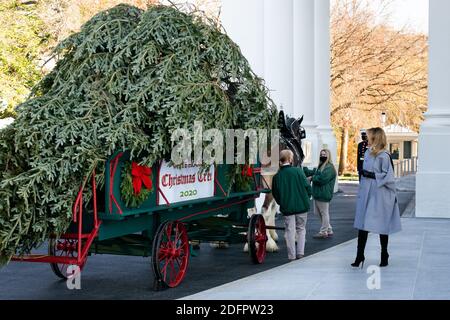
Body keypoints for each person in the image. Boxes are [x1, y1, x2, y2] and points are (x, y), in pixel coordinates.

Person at [352, 127, 401, 268]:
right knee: (362, 225)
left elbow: (389, 177)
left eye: (368, 136)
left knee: (381, 225)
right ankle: (359, 255)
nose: (366, 138)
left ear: (375, 137)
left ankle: (384, 254)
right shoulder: (367, 152)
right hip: (366, 193)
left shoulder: (384, 156)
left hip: (379, 194)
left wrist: (372, 175)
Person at [272, 150, 312, 261]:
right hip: (302, 206)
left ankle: (291, 255)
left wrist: (282, 202)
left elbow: (276, 194)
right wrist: (306, 198)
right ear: (290, 159)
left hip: (287, 207)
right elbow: (308, 187)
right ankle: (300, 253)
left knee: (290, 231)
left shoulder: (277, 177)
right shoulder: (298, 171)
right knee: (301, 229)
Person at [304, 149, 337, 239]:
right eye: (321, 154)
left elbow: (322, 179)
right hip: (318, 193)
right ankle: (329, 229)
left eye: (324, 154)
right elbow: (315, 173)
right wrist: (305, 169)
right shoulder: (321, 166)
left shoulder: (329, 167)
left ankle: (323, 231)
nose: (322, 156)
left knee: (324, 213)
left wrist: (311, 178)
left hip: (324, 193)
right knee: (317, 213)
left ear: (328, 156)